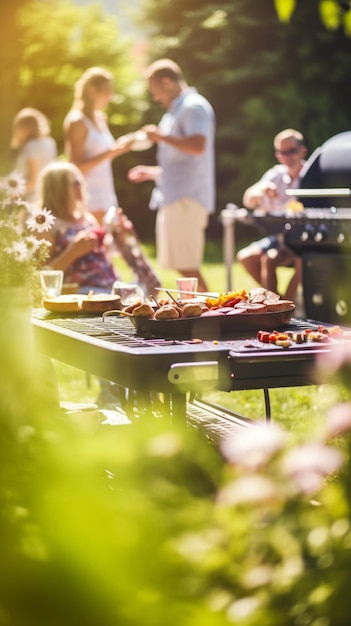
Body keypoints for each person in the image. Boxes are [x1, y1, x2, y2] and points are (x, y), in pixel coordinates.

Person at [127, 58, 215, 293]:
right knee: (181, 266)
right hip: (176, 196)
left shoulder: (193, 106)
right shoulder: (176, 111)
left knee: (187, 267)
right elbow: (182, 162)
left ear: (168, 82)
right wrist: (153, 173)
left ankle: (215, 318)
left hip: (186, 198)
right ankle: (204, 316)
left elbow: (198, 146)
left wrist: (161, 137)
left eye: (156, 92)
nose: (155, 98)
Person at [237, 129, 307, 300]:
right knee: (248, 257)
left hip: (304, 238)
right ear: (278, 155)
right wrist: (262, 189)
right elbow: (248, 199)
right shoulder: (276, 175)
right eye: (283, 152)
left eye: (292, 151)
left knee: (302, 259)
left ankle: (289, 306)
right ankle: (279, 304)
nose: (288, 156)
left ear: (302, 150)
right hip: (281, 237)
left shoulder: (310, 175)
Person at [37, 161, 121, 292]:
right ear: (59, 189)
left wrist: (117, 235)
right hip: (79, 292)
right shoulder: (45, 225)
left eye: (80, 181)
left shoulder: (87, 218)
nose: (80, 186)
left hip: (110, 286)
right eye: (74, 183)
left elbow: (103, 257)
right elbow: (40, 277)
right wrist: (72, 252)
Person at [63, 66, 132, 225]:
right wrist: (111, 152)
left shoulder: (101, 118)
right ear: (93, 91)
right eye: (107, 92)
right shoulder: (77, 122)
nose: (110, 97)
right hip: (89, 196)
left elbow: (105, 156)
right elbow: (75, 168)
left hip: (106, 193)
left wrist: (119, 149)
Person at [10, 107, 57, 202]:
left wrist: (10, 192)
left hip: (32, 199)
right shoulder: (50, 142)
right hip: (47, 195)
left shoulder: (30, 146)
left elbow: (33, 182)